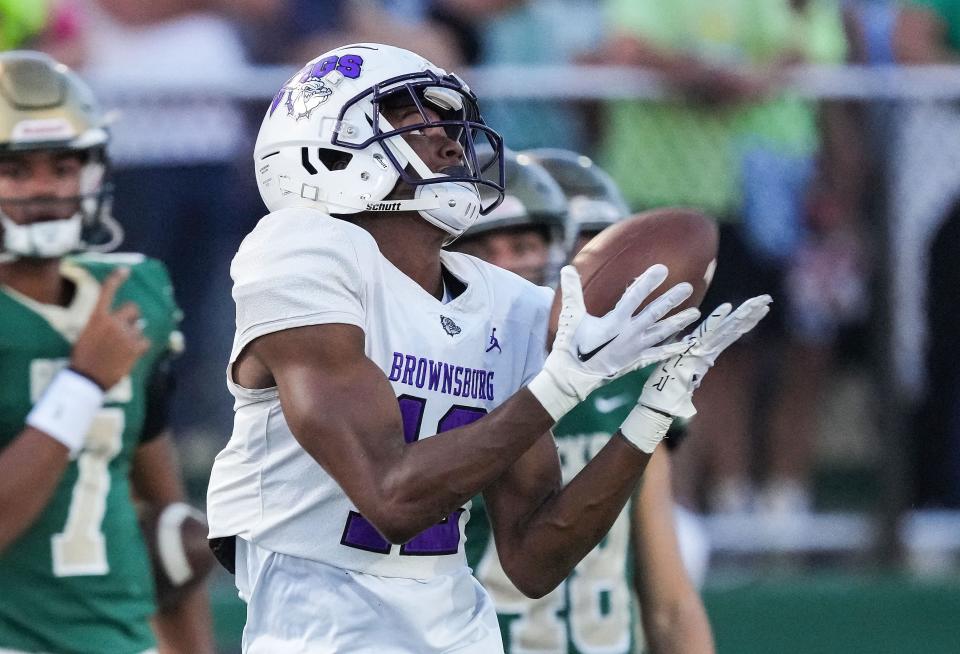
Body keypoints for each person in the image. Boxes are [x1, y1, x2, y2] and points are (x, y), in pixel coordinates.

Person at [205, 42, 769, 653]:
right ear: (328, 143)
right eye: (415, 122)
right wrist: (557, 387)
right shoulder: (300, 254)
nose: (451, 143)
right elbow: (389, 497)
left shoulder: (504, 303)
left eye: (452, 127)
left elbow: (533, 558)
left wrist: (647, 421)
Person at [456, 148, 715, 653]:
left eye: (524, 244)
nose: (507, 267)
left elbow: (669, 601)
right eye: (488, 249)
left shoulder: (629, 379)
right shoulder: (446, 373)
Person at [0, 51, 213, 654]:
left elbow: (169, 520)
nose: (45, 188)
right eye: (16, 170)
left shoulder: (134, 290)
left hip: (123, 639)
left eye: (63, 166)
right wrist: (83, 383)